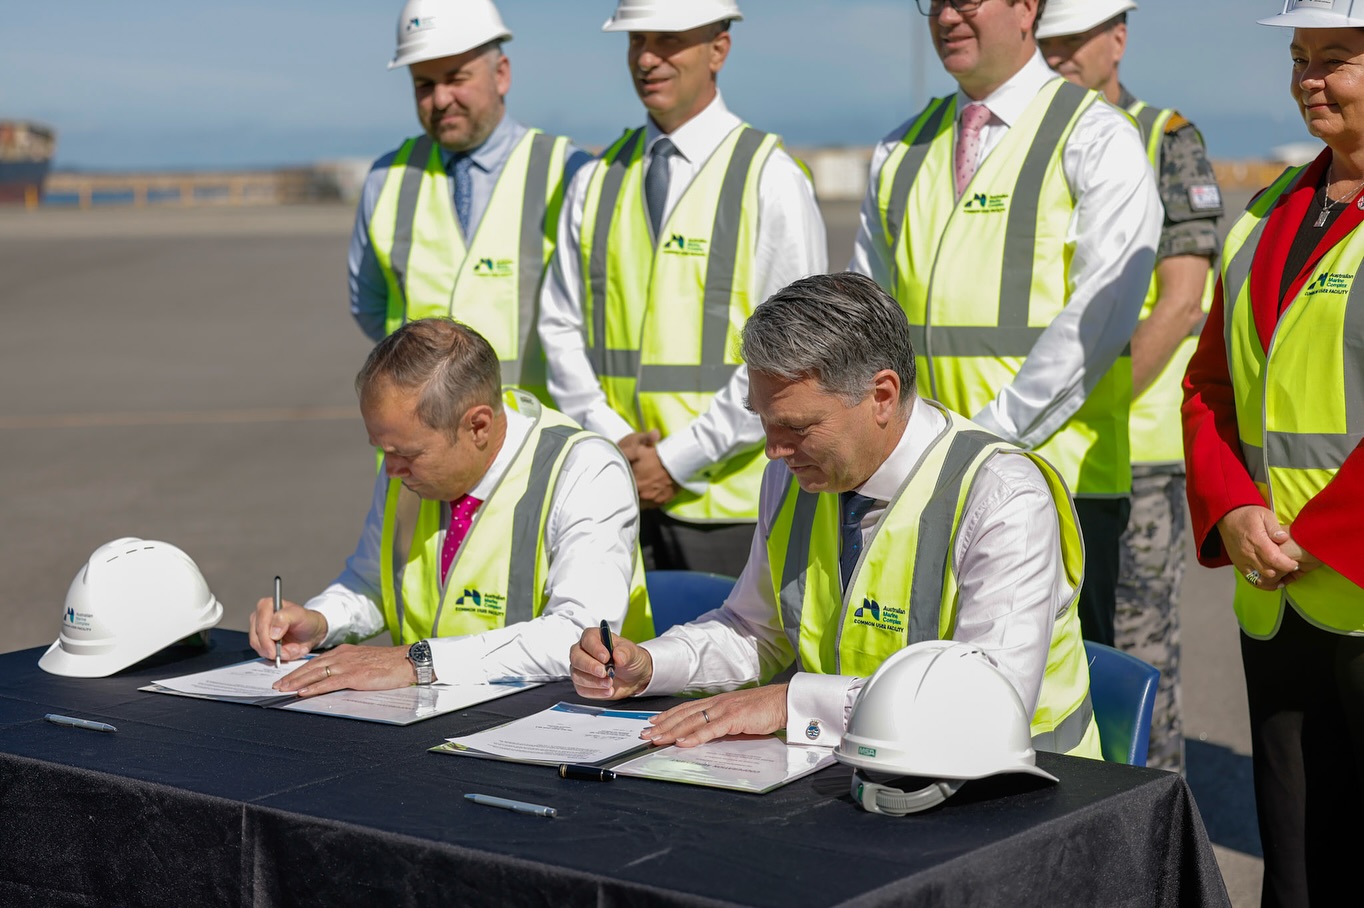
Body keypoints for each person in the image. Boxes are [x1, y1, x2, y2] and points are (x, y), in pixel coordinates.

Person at [569, 272, 1100, 760]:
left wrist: (791, 702)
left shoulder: (1003, 496)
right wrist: (650, 666)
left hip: (1026, 800)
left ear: (883, 396)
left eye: (797, 427)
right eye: (764, 421)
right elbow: (755, 629)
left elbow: (988, 703)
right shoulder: (794, 473)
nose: (774, 449)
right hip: (861, 774)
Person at [848, 0, 1162, 650]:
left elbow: (1099, 316)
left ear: (1027, 8)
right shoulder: (901, 148)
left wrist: (979, 446)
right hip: (911, 482)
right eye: (932, 2)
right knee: (908, 699)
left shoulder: (1096, 136)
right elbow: (865, 316)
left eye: (965, 0)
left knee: (1047, 709)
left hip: (1054, 483)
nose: (944, 16)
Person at [539, 0, 827, 578]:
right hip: (611, 499)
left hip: (733, 508)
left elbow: (796, 354)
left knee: (728, 671)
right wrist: (616, 443)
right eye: (636, 40)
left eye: (668, 40)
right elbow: (559, 327)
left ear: (718, 48)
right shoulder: (593, 180)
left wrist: (674, 460)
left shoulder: (770, 180)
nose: (647, 58)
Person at [1183, 2, 1364, 903]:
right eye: (1300, 58)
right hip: (1278, 589)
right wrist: (1235, 508)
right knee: (1292, 860)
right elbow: (1208, 388)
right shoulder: (1266, 214)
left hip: (1346, 573)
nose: (1309, 80)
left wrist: (1316, 532)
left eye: (1336, 58)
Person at [248, 318, 652, 693]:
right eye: (382, 450)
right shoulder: (405, 461)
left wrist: (416, 661)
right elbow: (374, 581)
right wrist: (321, 621)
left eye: (405, 453)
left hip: (555, 725)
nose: (390, 470)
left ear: (477, 426)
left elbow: (577, 634)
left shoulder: (585, 471)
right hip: (428, 712)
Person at [1037, 0, 1224, 776]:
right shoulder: (1027, 144)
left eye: (1075, 39)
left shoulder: (1165, 138)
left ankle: (1156, 838)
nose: (1059, 55)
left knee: (1134, 658)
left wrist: (1084, 400)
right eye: (1047, 39)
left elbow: (1182, 300)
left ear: (1117, 37)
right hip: (1036, 444)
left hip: (1133, 452)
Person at [348, 0, 591, 403]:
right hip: (419, 450)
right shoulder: (386, 179)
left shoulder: (569, 172)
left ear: (502, 74)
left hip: (533, 441)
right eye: (424, 84)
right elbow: (370, 306)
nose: (440, 99)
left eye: (456, 78)